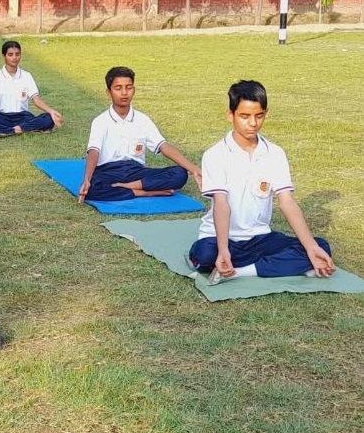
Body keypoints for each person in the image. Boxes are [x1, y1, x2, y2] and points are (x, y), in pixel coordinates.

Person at [188, 80, 335, 286]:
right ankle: (274, 265)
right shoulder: (215, 155)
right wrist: (223, 250)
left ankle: (241, 272)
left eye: (259, 116)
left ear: (266, 113)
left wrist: (310, 247)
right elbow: (221, 203)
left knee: (320, 246)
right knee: (205, 254)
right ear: (230, 115)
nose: (253, 123)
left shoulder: (274, 153)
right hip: (220, 238)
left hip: (260, 239)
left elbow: (286, 202)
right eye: (245, 116)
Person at [78, 66, 201, 202]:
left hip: (135, 172)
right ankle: (145, 193)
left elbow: (163, 146)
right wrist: (87, 180)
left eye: (128, 87)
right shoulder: (100, 121)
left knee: (179, 174)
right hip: (108, 171)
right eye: (118, 88)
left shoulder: (143, 119)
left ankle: (127, 187)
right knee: (93, 188)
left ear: (134, 90)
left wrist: (193, 169)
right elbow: (94, 151)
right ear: (109, 92)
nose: (124, 93)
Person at [0, 40, 63, 137]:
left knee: (48, 119)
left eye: (17, 54)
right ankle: (21, 129)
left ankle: (13, 130)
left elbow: (36, 99)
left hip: (23, 116)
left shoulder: (26, 76)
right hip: (2, 117)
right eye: (10, 54)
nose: (14, 58)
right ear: (4, 56)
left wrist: (51, 111)